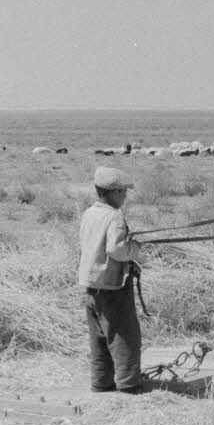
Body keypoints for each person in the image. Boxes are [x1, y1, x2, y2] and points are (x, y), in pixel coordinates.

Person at [78, 166, 145, 394]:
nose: (125, 196)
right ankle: (129, 385)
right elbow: (116, 249)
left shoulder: (89, 213)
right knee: (124, 334)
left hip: (91, 285)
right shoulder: (114, 216)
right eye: (123, 191)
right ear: (114, 193)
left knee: (98, 338)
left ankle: (101, 383)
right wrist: (134, 248)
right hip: (112, 285)